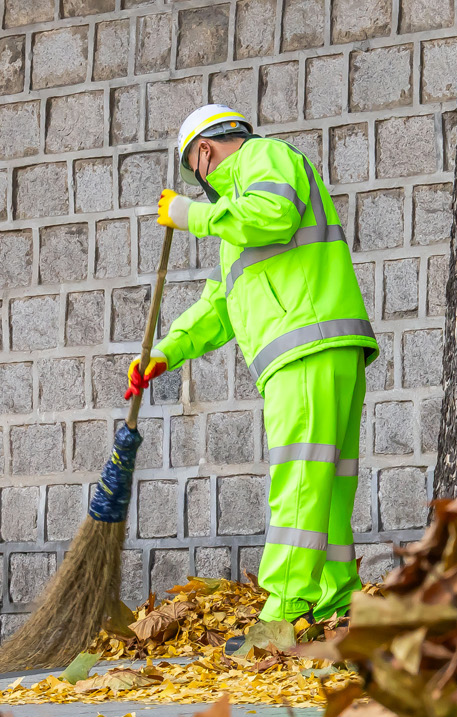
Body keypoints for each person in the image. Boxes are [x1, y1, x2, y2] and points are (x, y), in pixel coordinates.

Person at [128, 105, 377, 625]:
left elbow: (273, 216)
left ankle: (282, 615)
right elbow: (219, 307)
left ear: (203, 152)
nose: (201, 186)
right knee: (326, 485)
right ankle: (335, 599)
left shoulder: (265, 156)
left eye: (195, 173)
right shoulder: (236, 222)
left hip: (304, 348)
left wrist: (190, 215)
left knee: (299, 481)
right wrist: (164, 352)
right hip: (318, 348)